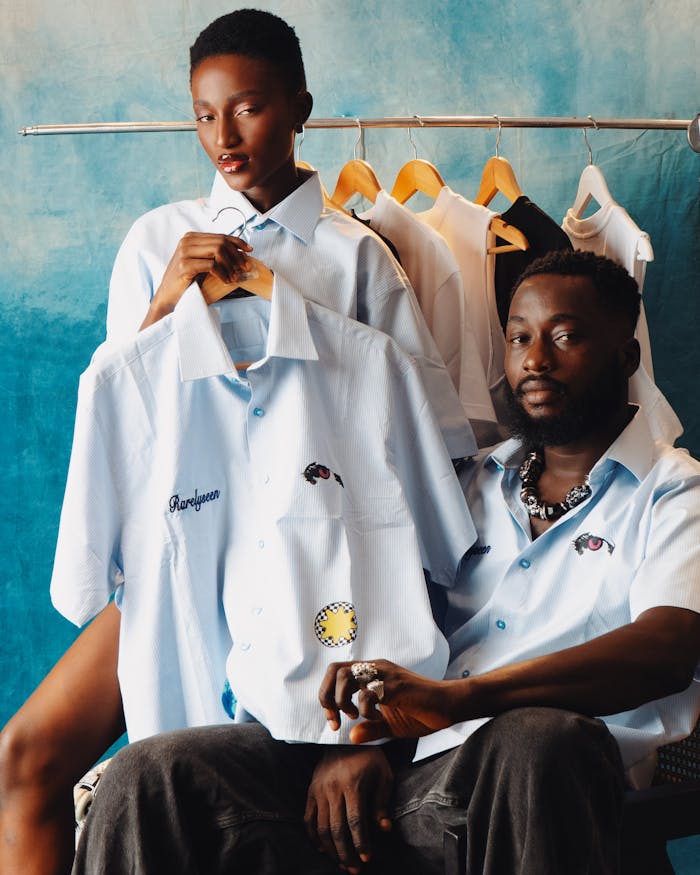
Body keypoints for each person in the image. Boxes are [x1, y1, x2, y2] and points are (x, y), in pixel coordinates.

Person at [0, 10, 474, 875]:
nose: (224, 135)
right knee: (26, 754)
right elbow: (122, 415)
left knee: (250, 789)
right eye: (203, 114)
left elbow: (426, 451)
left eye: (246, 108)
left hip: (324, 569)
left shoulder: (360, 258)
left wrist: (367, 709)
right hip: (192, 538)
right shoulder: (155, 239)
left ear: (299, 107)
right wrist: (162, 304)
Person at [70, 250, 700, 875]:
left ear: (627, 356)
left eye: (565, 337)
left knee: (537, 738)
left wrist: (455, 701)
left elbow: (666, 650)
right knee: (151, 776)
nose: (535, 360)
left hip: (537, 783)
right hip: (404, 772)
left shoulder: (674, 490)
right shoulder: (475, 482)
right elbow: (380, 604)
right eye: (519, 338)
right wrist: (350, 739)